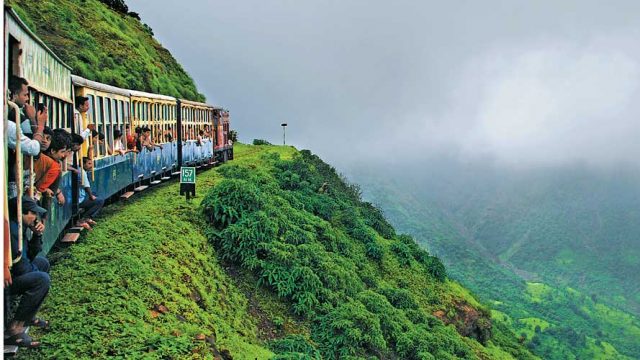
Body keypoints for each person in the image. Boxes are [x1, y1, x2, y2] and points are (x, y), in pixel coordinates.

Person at [5, 196, 51, 349]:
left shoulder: (21, 227)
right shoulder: (11, 230)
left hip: (17, 272)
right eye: (33, 214)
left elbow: (30, 256)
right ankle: (15, 327)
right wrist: (33, 270)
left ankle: (27, 317)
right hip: (8, 279)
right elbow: (19, 267)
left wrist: (37, 235)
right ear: (22, 213)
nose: (35, 218)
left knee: (42, 263)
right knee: (41, 279)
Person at [78, 157, 104, 229]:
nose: (91, 166)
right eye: (89, 164)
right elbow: (86, 186)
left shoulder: (80, 170)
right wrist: (91, 196)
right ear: (82, 164)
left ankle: (86, 217)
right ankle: (84, 219)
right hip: (79, 199)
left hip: (80, 196)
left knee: (95, 194)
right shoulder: (82, 172)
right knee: (100, 201)